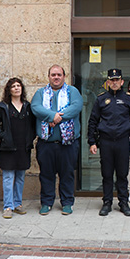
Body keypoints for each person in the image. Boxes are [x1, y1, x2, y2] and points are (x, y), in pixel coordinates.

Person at [31, 64, 83, 215]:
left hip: (67, 144)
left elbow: (76, 106)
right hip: (46, 143)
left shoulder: (72, 91)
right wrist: (50, 116)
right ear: (48, 77)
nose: (56, 77)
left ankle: (67, 203)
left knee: (67, 174)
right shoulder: (41, 93)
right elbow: (35, 107)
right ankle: (46, 202)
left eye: (59, 75)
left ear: (64, 76)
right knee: (46, 174)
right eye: (53, 75)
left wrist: (58, 117)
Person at [88, 68, 130, 216]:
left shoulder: (129, 99)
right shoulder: (101, 99)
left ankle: (124, 203)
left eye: (117, 80)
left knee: (122, 174)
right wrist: (92, 142)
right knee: (106, 174)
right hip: (106, 142)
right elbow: (93, 121)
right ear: (108, 82)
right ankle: (107, 202)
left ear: (122, 81)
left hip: (123, 142)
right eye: (112, 80)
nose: (114, 82)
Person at [0, 77, 36, 218]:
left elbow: (34, 125)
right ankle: (8, 207)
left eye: (18, 86)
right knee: (8, 177)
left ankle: (18, 204)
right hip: (8, 147)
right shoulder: (3, 106)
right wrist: (3, 136)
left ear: (22, 89)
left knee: (20, 177)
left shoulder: (28, 106)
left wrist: (31, 138)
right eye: (13, 86)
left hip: (23, 147)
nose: (16, 88)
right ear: (9, 90)